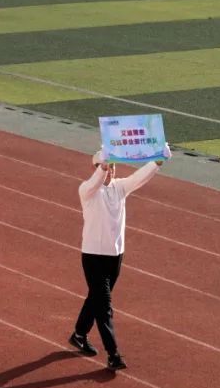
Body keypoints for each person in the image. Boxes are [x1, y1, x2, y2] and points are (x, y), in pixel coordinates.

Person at [69, 143, 171, 371]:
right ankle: (113, 354)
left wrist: (157, 162)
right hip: (93, 256)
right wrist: (102, 167)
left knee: (96, 299)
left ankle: (79, 334)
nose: (111, 170)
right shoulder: (87, 190)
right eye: (107, 167)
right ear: (97, 168)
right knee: (104, 305)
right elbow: (95, 181)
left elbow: (139, 178)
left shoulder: (120, 188)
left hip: (115, 256)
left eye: (113, 166)